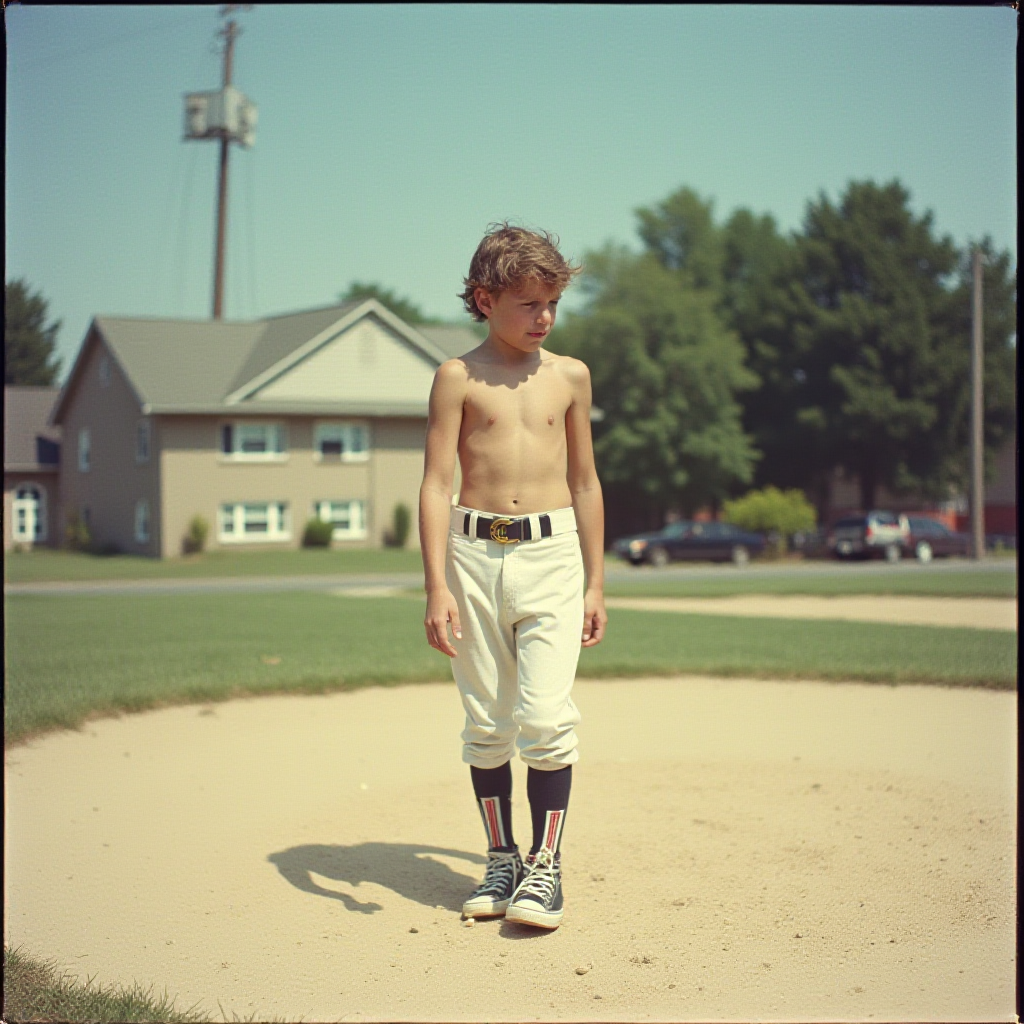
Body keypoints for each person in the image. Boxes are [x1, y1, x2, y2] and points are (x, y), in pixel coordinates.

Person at [418, 222, 607, 930]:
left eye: (552, 304)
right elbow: (437, 484)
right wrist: (436, 586)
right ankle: (502, 859)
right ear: (485, 297)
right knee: (488, 723)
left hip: (553, 556)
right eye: (529, 304)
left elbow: (586, 482)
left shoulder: (570, 376)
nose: (544, 318)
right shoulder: (456, 378)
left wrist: (595, 582)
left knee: (546, 719)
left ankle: (546, 868)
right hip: (471, 559)